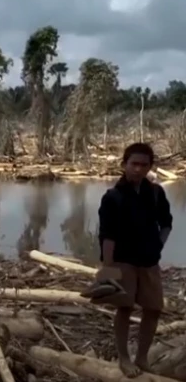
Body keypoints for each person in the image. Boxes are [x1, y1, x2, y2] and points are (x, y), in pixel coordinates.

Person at [98, 142, 173, 377]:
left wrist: (158, 245)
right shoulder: (113, 197)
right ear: (124, 165)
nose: (138, 169)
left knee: (153, 309)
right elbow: (107, 236)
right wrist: (107, 270)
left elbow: (167, 223)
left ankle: (142, 358)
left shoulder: (156, 192)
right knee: (124, 308)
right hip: (123, 261)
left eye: (144, 165)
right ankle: (124, 358)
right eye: (134, 164)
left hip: (149, 261)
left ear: (150, 166)